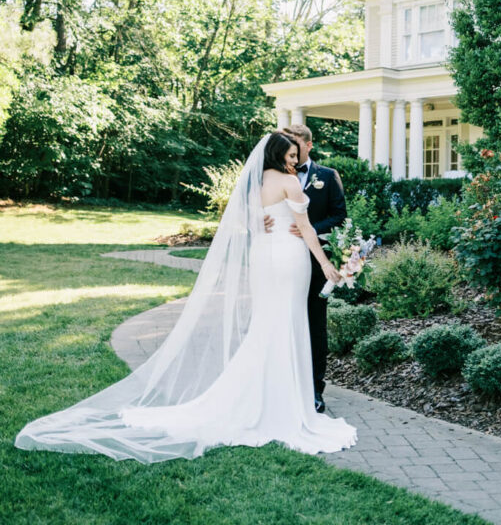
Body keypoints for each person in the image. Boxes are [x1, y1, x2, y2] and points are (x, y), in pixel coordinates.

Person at [15, 133, 357, 462]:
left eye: (297, 157)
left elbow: (245, 220)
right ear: (279, 155)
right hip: (288, 257)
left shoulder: (256, 182)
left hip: (264, 257)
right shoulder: (289, 182)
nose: (296, 161)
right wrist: (326, 264)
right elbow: (308, 229)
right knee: (287, 324)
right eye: (291, 156)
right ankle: (283, 405)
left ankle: (261, 396)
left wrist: (261, 223)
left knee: (269, 324)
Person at [281, 124, 346, 414]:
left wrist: (308, 230)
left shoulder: (328, 176)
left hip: (315, 265)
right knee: (282, 324)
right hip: (280, 263)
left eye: (295, 147)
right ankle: (282, 387)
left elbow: (339, 217)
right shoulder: (273, 176)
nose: (290, 155)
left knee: (315, 327)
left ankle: (315, 390)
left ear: (309, 145)